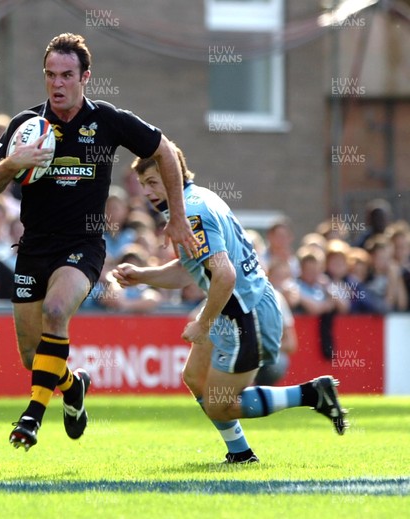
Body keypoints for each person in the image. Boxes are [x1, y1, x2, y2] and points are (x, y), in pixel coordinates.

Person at [0, 33, 198, 450]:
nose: (57, 84)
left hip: (84, 245)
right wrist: (12, 163)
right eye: (50, 75)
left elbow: (165, 150)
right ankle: (72, 385)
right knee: (32, 357)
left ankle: (31, 416)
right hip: (33, 248)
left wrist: (177, 216)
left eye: (66, 75)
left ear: (85, 78)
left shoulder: (108, 121)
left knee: (57, 311)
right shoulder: (26, 127)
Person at [113, 144, 348, 463]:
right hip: (237, 307)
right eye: (144, 185)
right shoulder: (194, 201)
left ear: (174, 174)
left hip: (244, 314)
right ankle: (240, 454)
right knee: (195, 377)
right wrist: (143, 275)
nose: (148, 192)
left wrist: (203, 323)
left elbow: (224, 275)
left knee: (219, 403)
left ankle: (311, 394)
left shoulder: (193, 212)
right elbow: (189, 270)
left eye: (154, 182)